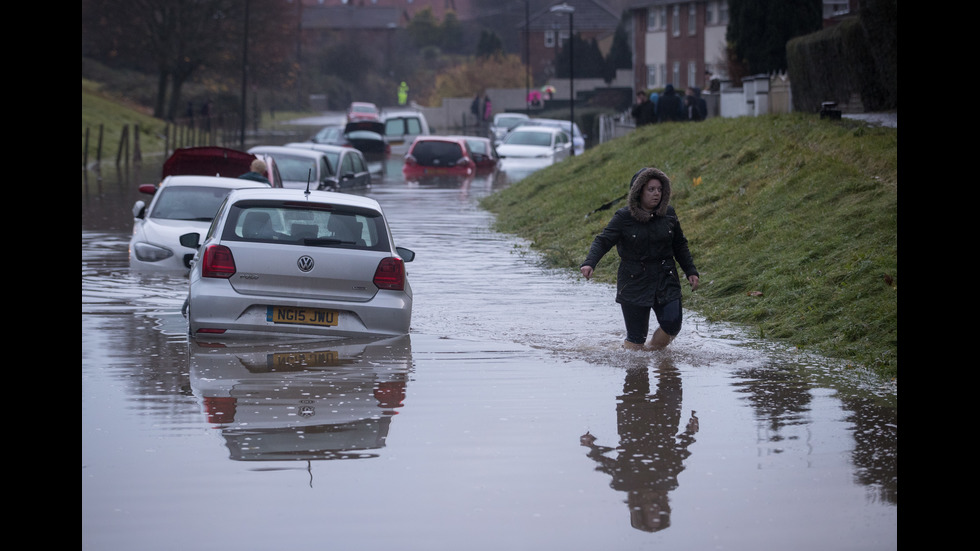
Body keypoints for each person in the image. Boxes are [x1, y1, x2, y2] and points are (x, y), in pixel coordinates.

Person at [580, 167, 700, 351]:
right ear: (639, 192)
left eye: (660, 189)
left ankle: (653, 351)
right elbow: (603, 241)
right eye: (651, 189)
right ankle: (636, 368)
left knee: (673, 324)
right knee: (636, 341)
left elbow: (680, 245)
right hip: (634, 281)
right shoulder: (623, 217)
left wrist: (690, 271)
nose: (656, 194)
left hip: (666, 278)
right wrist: (590, 263)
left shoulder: (669, 214)